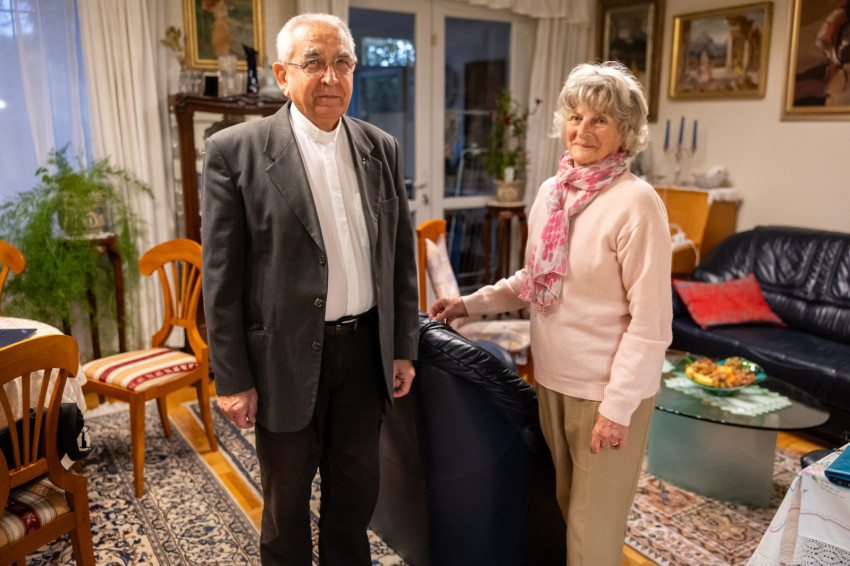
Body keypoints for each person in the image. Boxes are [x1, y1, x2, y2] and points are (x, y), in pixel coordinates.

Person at [430, 61, 672, 565]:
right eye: (576, 116)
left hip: (605, 391)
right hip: (553, 381)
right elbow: (533, 280)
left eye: (600, 120)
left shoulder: (637, 203)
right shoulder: (552, 193)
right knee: (565, 511)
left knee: (591, 533)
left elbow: (651, 325)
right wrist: (467, 304)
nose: (583, 129)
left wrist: (617, 408)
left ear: (626, 131)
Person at [201, 13, 419, 566]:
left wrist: (402, 346)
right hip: (283, 360)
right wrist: (233, 378)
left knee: (355, 496)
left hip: (364, 355)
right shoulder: (234, 152)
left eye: (342, 63)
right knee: (286, 505)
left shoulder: (381, 147)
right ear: (282, 75)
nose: (330, 78)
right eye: (314, 63)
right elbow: (221, 279)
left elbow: (399, 259)